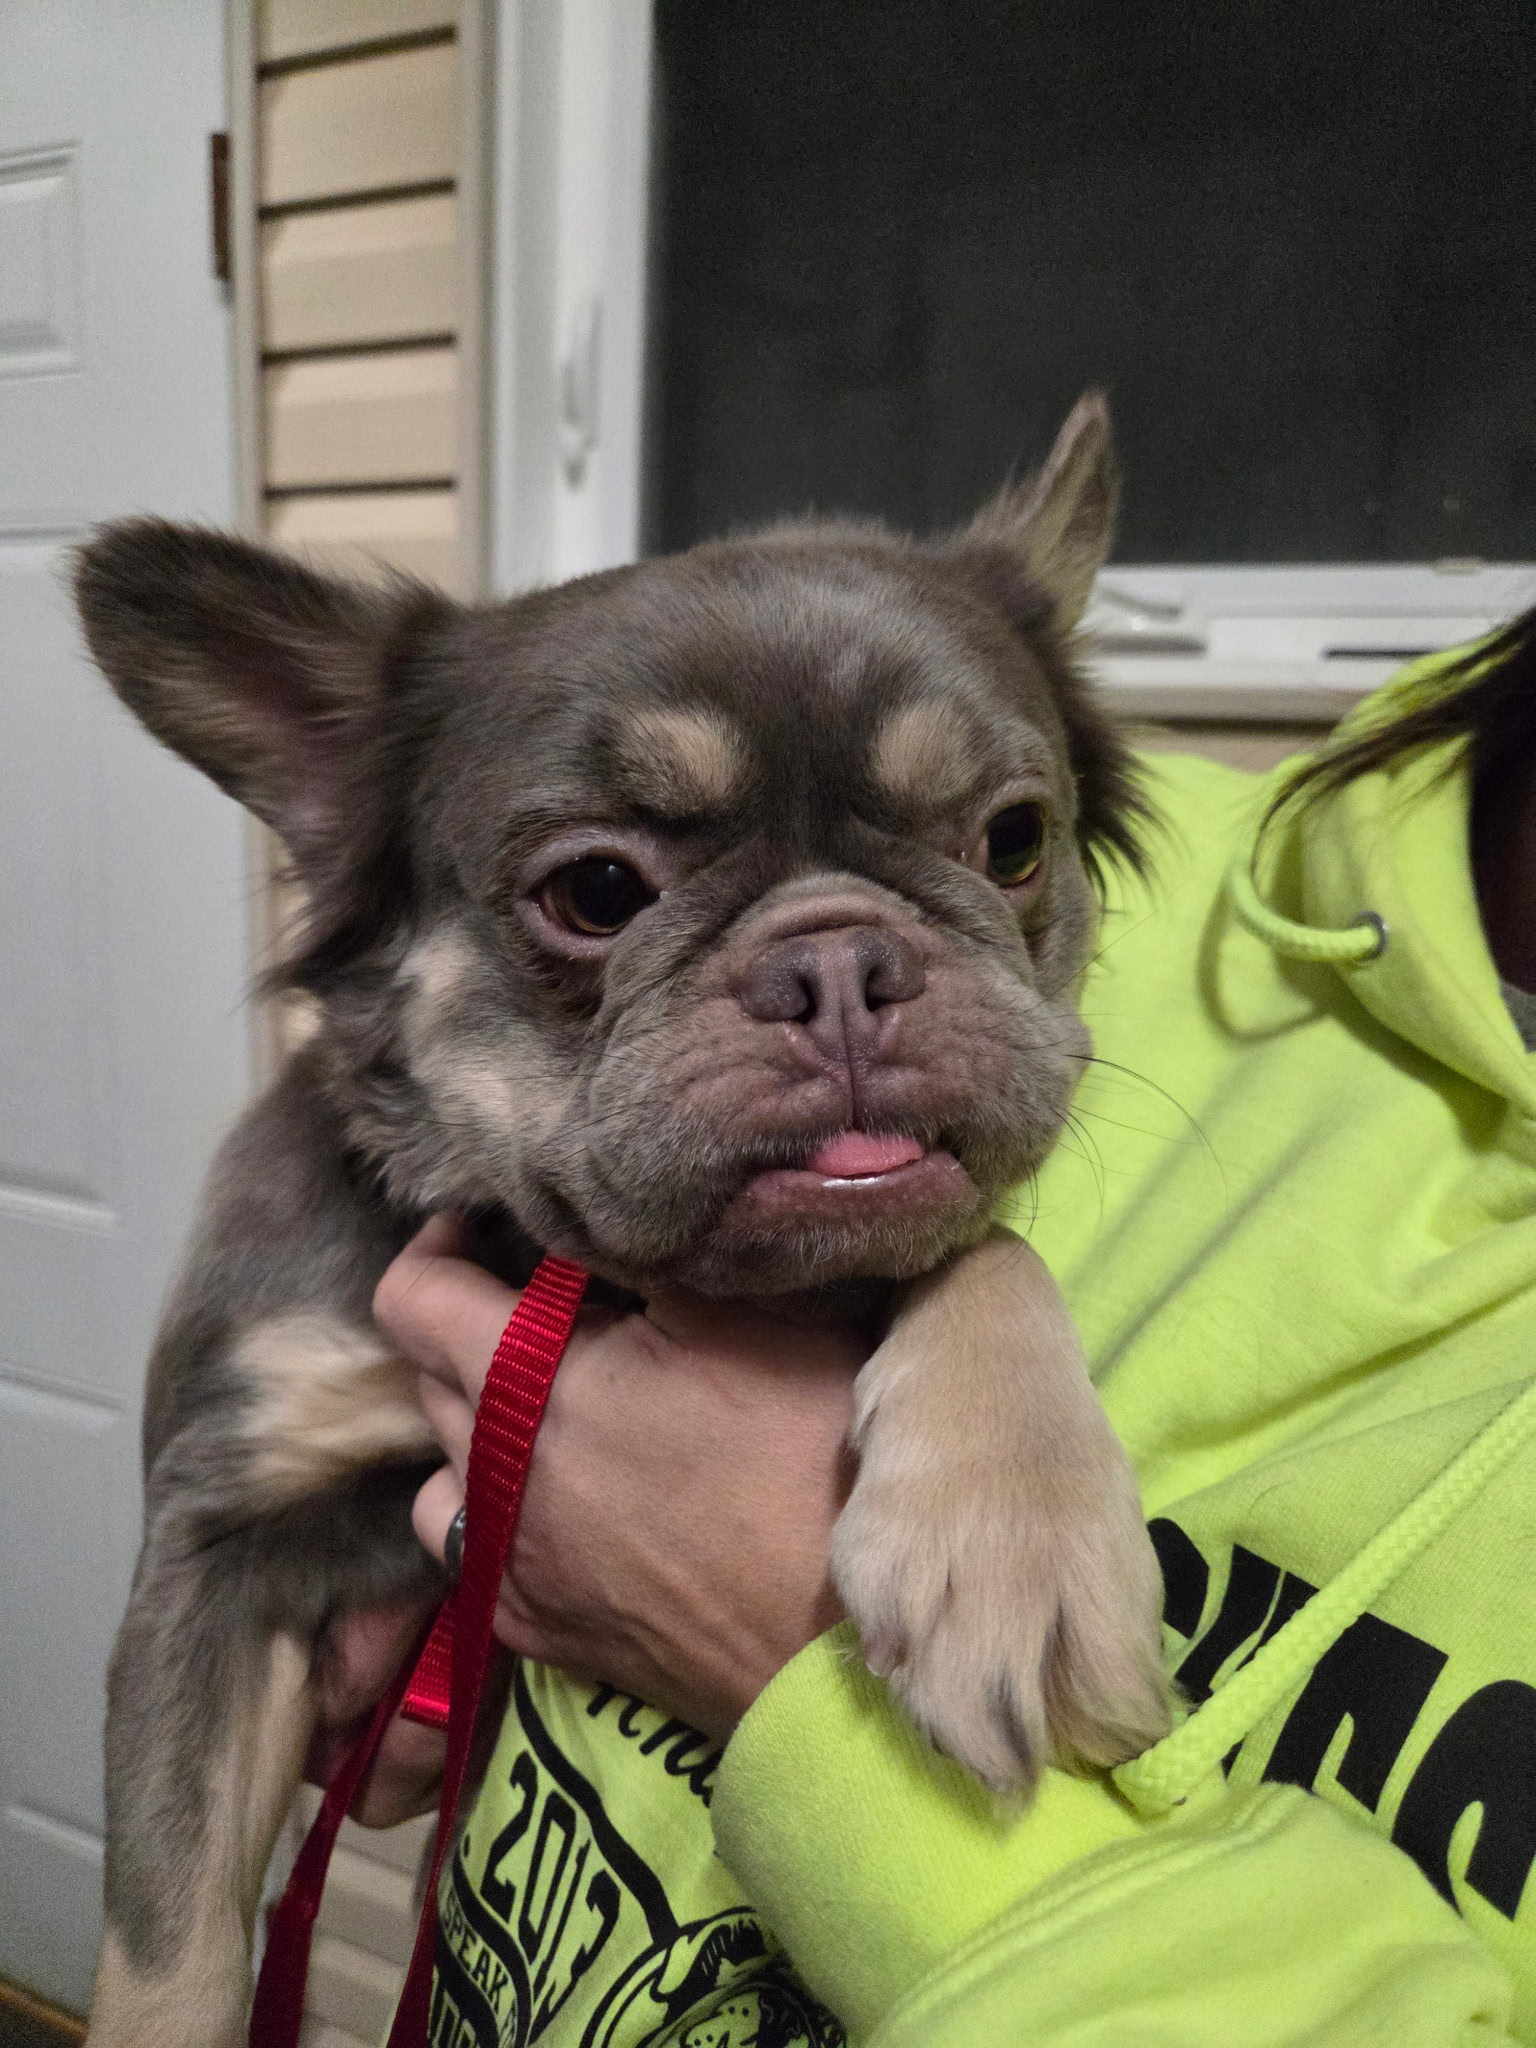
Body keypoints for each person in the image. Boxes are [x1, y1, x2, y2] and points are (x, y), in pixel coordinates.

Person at [317, 614, 1536, 2045]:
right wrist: (443, 1568)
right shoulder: (1193, 856)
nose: (843, 989)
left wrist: (783, 1657)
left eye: (1001, 848)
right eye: (605, 893)